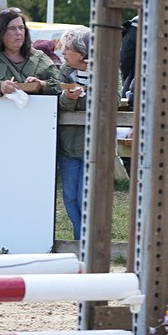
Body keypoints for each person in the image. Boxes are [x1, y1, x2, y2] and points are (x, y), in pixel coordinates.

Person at [57, 27, 92, 240]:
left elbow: (111, 101)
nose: (63, 53)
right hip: (67, 146)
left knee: (84, 198)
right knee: (69, 198)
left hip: (92, 148)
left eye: (67, 49)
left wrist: (78, 98)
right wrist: (67, 99)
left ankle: (86, 243)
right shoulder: (63, 71)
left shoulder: (106, 70)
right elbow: (58, 102)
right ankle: (80, 240)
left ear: (82, 53)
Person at [0, 8, 61, 100]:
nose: (18, 33)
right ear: (0, 32)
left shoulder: (39, 58)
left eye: (21, 27)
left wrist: (42, 85)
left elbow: (63, 85)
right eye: (12, 28)